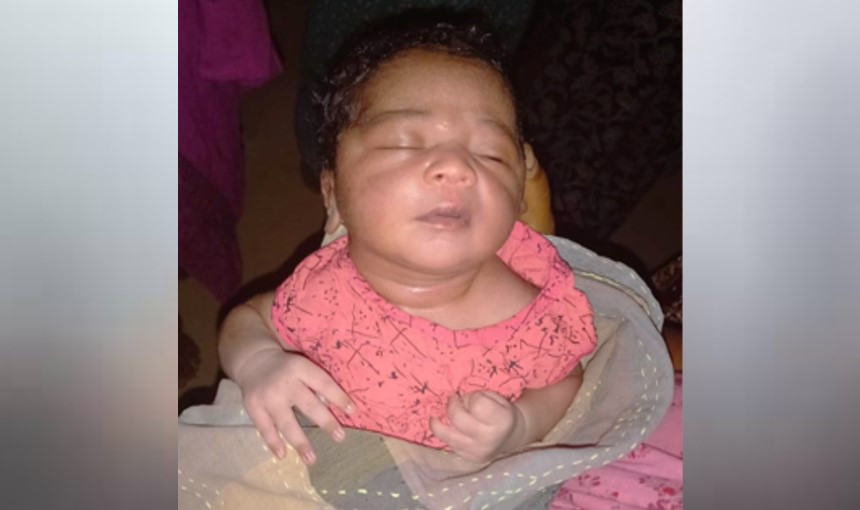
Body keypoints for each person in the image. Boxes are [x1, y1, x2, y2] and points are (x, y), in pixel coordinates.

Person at [218, 11, 596, 468]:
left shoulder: (529, 314)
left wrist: (522, 424)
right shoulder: (323, 293)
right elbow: (246, 320)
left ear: (518, 199)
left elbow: (563, 377)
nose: (456, 168)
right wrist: (258, 362)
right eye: (403, 144)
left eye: (490, 154)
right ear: (333, 192)